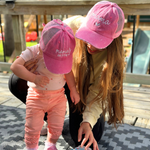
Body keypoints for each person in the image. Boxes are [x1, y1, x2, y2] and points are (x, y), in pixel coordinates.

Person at [9, 1, 125, 150]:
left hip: (84, 94)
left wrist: (87, 121)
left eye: (98, 41)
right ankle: (50, 119)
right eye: (89, 35)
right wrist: (32, 62)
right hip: (59, 81)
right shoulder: (71, 25)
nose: (90, 45)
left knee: (84, 139)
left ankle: (65, 120)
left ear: (112, 41)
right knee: (16, 81)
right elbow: (47, 43)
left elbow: (98, 93)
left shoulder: (113, 60)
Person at [10, 19, 80, 150]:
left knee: (57, 127)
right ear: (43, 44)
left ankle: (51, 143)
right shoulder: (34, 51)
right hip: (36, 97)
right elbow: (15, 67)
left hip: (58, 97)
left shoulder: (64, 53)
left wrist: (73, 90)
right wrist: (34, 78)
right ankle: (31, 147)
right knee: (32, 127)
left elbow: (69, 73)